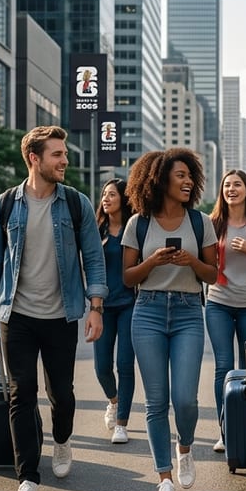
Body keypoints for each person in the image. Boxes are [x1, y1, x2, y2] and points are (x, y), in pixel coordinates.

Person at [0, 125, 107, 491]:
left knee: (61, 394)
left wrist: (95, 307)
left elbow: (93, 258)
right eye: (57, 155)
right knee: (21, 396)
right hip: (15, 315)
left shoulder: (75, 203)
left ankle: (62, 440)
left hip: (61, 315)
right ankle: (28, 478)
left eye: (64, 154)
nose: (65, 160)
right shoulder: (5, 204)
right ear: (34, 158)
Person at [122, 149, 218, 491]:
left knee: (185, 399)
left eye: (190, 176)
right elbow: (127, 276)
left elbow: (213, 274)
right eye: (180, 175)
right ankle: (164, 478)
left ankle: (186, 447)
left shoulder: (200, 221)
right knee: (156, 402)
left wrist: (191, 261)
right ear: (159, 180)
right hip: (146, 311)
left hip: (188, 311)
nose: (188, 181)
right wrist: (153, 261)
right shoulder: (139, 223)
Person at [205, 168, 246, 453]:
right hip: (218, 302)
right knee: (224, 367)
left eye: (237, 184)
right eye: (227, 184)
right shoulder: (213, 224)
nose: (231, 189)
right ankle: (225, 429)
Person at [95, 178, 136, 444]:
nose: (106, 199)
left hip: (130, 303)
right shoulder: (96, 230)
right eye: (104, 195)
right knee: (101, 368)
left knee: (124, 364)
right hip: (101, 306)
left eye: (111, 194)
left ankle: (122, 422)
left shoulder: (134, 229)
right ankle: (114, 400)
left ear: (123, 198)